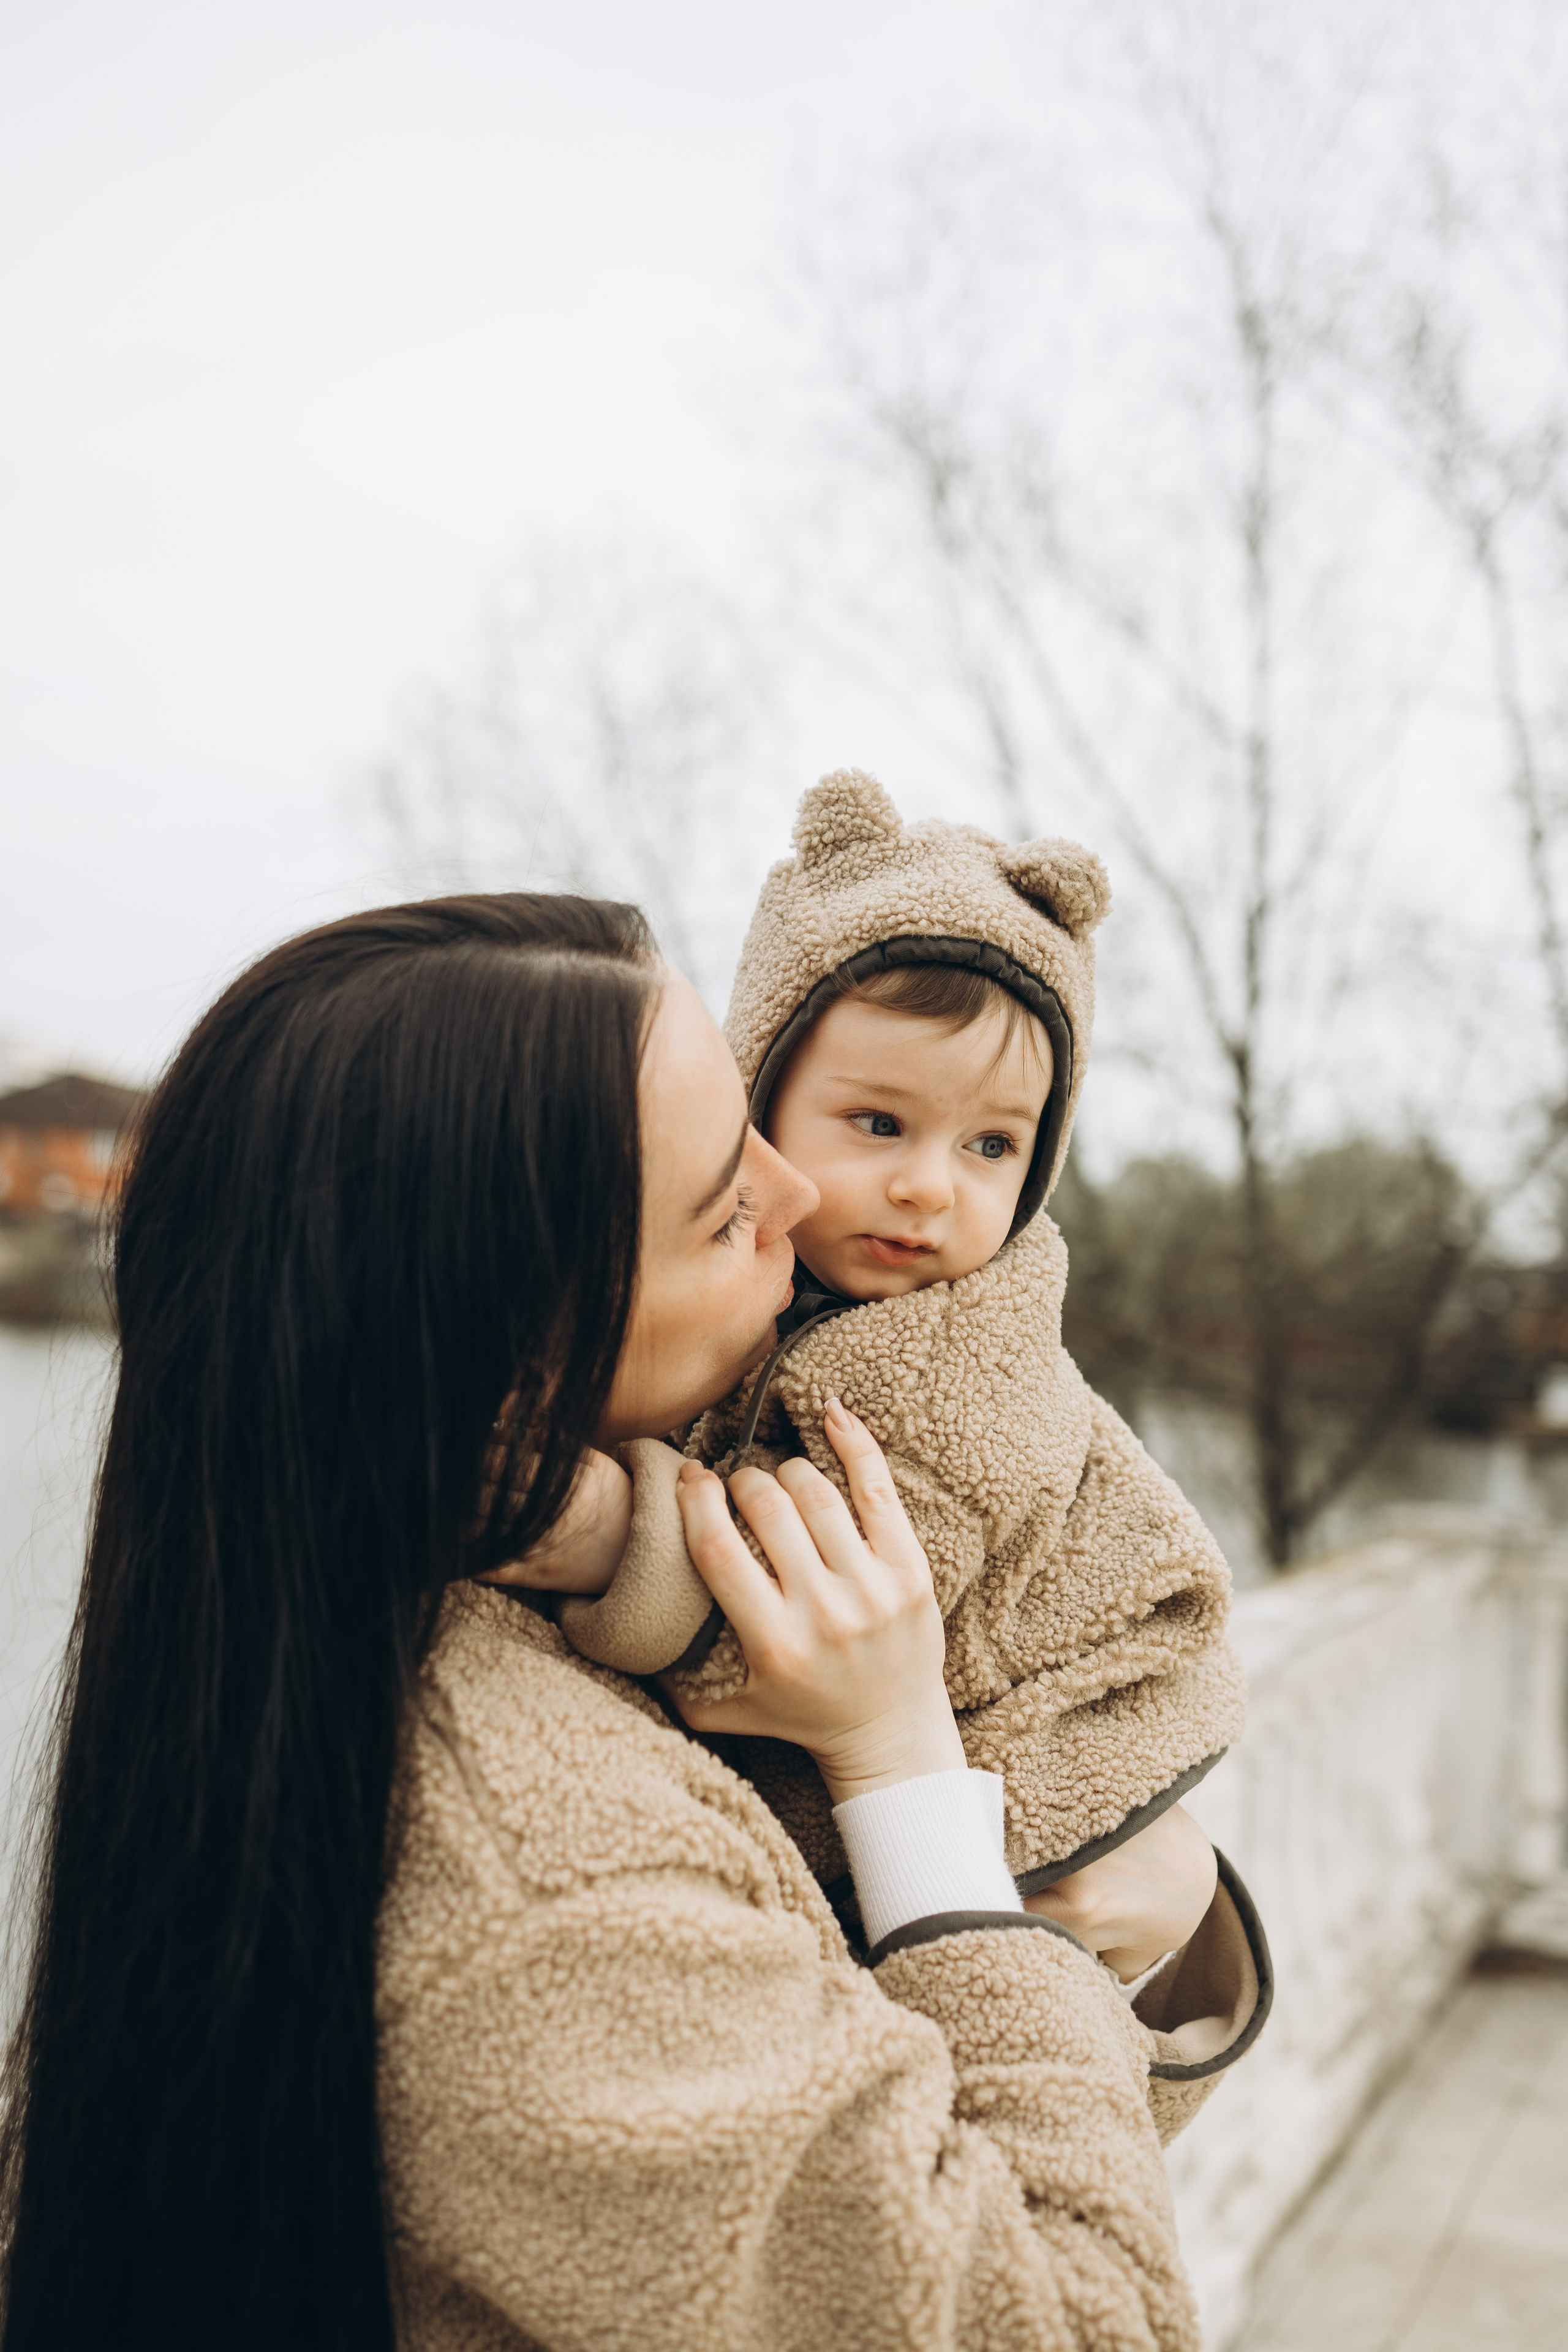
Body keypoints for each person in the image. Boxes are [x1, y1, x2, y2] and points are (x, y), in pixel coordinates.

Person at [0, 890, 1257, 2352]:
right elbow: (1073, 2321)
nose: (797, 1193)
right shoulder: (555, 1890)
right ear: (516, 1359)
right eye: (727, 1202)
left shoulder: (292, 1643)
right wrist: (915, 1794)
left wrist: (1161, 1915)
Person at [529, 774, 1268, 2106]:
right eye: (879, 1124)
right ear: (757, 1095)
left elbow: (821, 1582)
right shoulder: (775, 1304)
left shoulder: (955, 1352)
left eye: (993, 1145)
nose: (933, 1186)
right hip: (927, 1773)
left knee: (986, 2086)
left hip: (1043, 1743)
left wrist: (600, 1530)